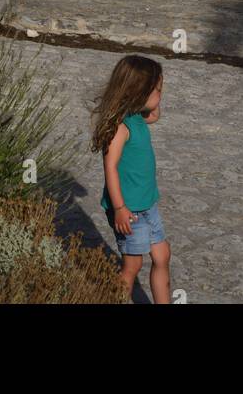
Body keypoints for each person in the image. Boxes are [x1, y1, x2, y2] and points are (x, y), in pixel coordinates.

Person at [92, 54, 171, 304]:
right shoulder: (120, 128)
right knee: (132, 265)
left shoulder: (138, 117)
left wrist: (156, 93)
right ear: (140, 92)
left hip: (148, 204)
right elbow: (111, 168)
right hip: (129, 210)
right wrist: (119, 208)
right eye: (157, 89)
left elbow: (155, 115)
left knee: (162, 256)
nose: (161, 92)